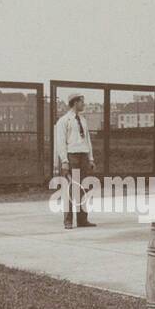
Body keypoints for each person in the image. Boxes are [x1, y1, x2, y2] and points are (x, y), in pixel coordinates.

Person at [53, 94, 96, 228]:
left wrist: (91, 158)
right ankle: (68, 220)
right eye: (82, 102)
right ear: (75, 103)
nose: (84, 104)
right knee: (71, 189)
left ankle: (82, 220)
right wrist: (64, 161)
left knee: (84, 188)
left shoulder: (83, 120)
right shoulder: (64, 121)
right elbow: (60, 142)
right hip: (71, 156)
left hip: (83, 156)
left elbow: (87, 140)